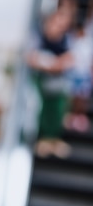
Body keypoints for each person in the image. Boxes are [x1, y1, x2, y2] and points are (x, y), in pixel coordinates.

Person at [26, 9, 74, 158]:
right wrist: (49, 64)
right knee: (43, 110)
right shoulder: (39, 37)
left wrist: (56, 64)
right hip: (43, 81)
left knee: (58, 110)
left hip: (58, 82)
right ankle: (43, 139)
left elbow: (69, 59)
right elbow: (31, 58)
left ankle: (54, 139)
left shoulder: (66, 39)